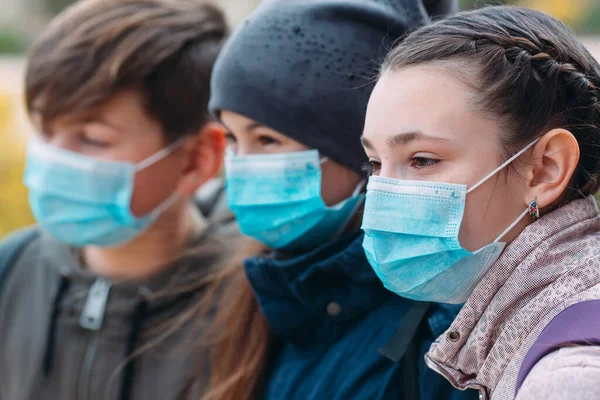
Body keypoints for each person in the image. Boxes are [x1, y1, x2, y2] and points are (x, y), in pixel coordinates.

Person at [203, 1, 475, 400]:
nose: (241, 166)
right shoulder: (265, 294)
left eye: (266, 140)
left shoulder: (445, 335)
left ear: (365, 157)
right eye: (231, 138)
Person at [360, 5, 600, 400]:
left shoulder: (567, 378)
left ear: (545, 170)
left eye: (422, 160)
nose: (383, 196)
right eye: (374, 163)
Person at [0, 0, 233, 399]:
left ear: (196, 159)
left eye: (92, 139)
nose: (54, 158)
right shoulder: (11, 270)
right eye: (44, 130)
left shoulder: (246, 309)